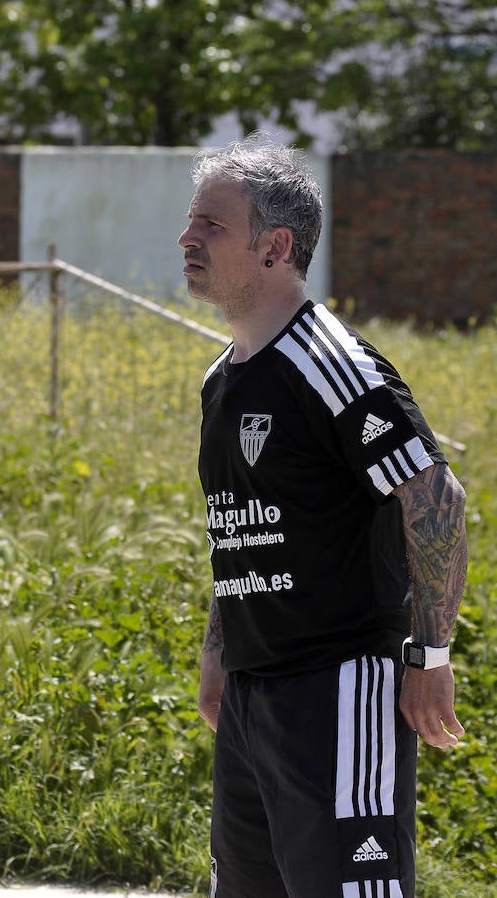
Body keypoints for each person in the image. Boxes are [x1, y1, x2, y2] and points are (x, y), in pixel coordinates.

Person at [180, 134, 468, 898]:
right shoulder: (222, 379)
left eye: (212, 224)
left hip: (340, 690)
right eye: (191, 221)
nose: (187, 237)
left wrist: (429, 658)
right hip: (251, 698)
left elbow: (435, 498)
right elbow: (242, 523)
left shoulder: (333, 363)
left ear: (275, 246)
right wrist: (220, 651)